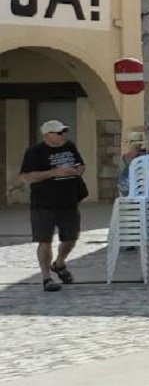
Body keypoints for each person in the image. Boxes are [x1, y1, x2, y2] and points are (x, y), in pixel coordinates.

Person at [21, 120, 86, 292]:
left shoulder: (69, 146)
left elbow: (81, 164)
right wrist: (53, 172)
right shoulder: (35, 152)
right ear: (47, 135)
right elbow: (27, 177)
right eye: (59, 133)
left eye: (64, 131)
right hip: (43, 203)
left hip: (69, 202)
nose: (63, 135)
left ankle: (59, 263)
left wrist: (78, 170)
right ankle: (46, 278)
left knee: (71, 239)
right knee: (44, 240)